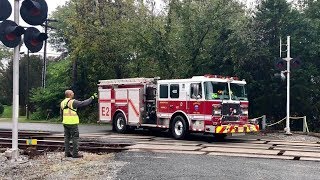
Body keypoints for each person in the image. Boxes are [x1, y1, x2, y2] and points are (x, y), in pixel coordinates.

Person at [60, 90, 97, 158]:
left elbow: (61, 114)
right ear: (70, 94)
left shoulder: (62, 102)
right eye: (72, 93)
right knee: (75, 138)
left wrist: (63, 121)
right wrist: (92, 97)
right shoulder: (73, 102)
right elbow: (84, 103)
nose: (73, 93)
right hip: (73, 123)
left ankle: (67, 153)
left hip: (65, 123)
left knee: (67, 138)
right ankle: (75, 154)